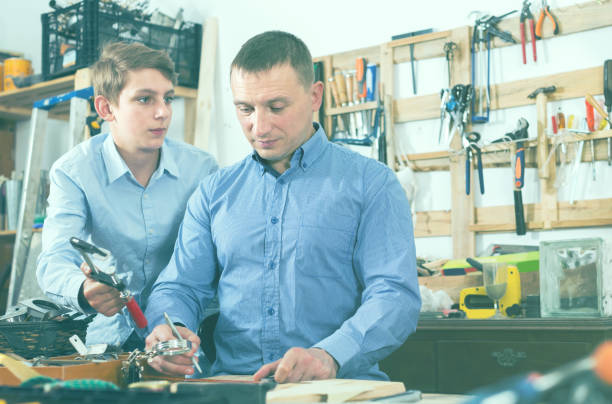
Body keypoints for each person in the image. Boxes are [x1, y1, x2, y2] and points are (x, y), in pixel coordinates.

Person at [144, 30, 420, 382]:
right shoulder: (213, 192)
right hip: (235, 386)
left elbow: (395, 295)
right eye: (245, 109)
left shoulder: (371, 184)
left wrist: (330, 354)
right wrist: (173, 326)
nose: (259, 126)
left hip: (337, 388)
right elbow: (180, 286)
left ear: (315, 95)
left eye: (276, 107)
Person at [36, 41, 218, 350]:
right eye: (145, 99)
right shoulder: (73, 171)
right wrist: (83, 289)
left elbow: (216, 259)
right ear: (106, 108)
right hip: (111, 336)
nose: (163, 113)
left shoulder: (201, 169)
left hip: (186, 333)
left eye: (168, 99)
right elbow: (55, 258)